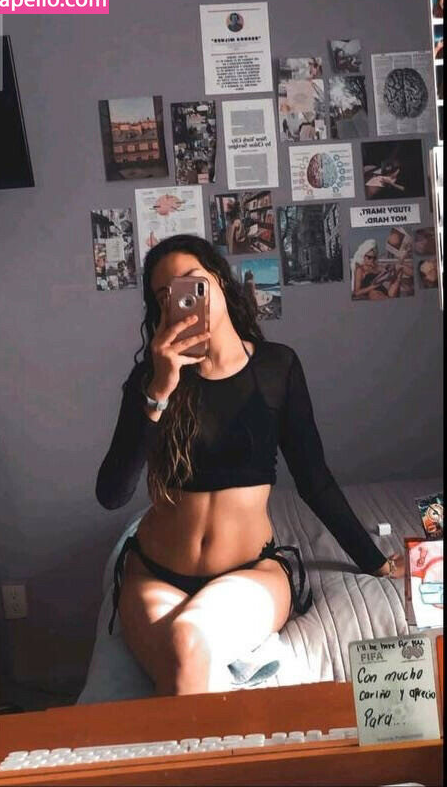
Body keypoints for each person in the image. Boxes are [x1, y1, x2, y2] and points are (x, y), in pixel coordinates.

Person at [96, 234, 403, 697]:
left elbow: (314, 479)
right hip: (154, 573)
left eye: (194, 283)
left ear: (219, 281)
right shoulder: (151, 381)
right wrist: (158, 392)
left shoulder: (277, 367)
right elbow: (112, 494)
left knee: (186, 642)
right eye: (165, 296)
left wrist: (375, 561)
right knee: (184, 674)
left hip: (249, 571)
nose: (184, 301)